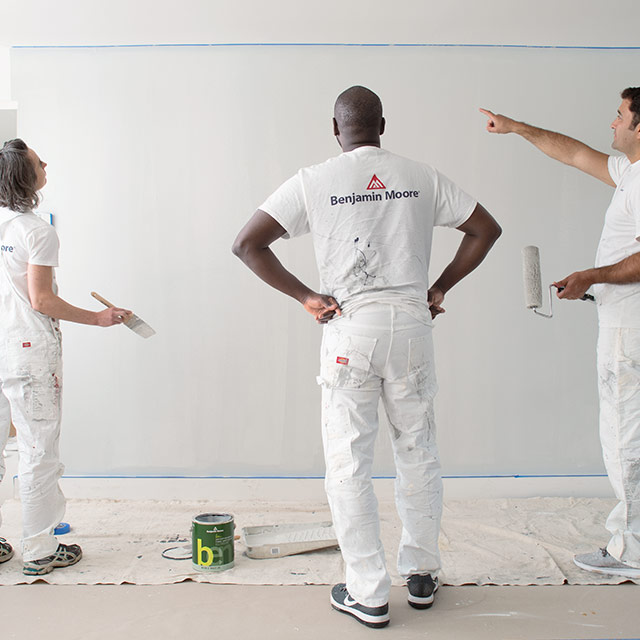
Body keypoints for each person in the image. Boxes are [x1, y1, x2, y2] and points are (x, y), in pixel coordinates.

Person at [233, 86, 501, 628]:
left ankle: (368, 592)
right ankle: (422, 574)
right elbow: (485, 230)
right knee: (417, 449)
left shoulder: (314, 180)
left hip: (349, 332)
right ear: (383, 124)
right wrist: (439, 286)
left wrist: (307, 297)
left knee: (349, 461)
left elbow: (247, 244)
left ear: (336, 129)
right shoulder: (419, 176)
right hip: (411, 329)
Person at [480, 87, 640, 580]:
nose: (611, 124)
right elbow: (572, 152)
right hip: (621, 324)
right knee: (625, 434)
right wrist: (515, 127)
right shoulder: (629, 172)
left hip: (629, 332)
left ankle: (631, 553)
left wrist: (591, 276)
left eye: (620, 117)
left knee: (625, 438)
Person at [0, 139, 130, 575]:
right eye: (39, 162)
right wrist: (98, 318)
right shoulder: (36, 231)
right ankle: (38, 551)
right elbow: (41, 300)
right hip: (28, 354)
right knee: (39, 450)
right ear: (25, 177)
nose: (46, 164)